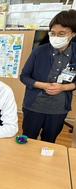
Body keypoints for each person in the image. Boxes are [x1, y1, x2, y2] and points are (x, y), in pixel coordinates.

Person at [20, 10, 76, 143]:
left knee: (49, 141)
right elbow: (24, 76)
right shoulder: (39, 51)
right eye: (53, 33)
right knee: (27, 139)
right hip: (34, 105)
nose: (56, 37)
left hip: (58, 109)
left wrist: (64, 87)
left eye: (61, 34)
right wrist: (43, 85)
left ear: (73, 34)